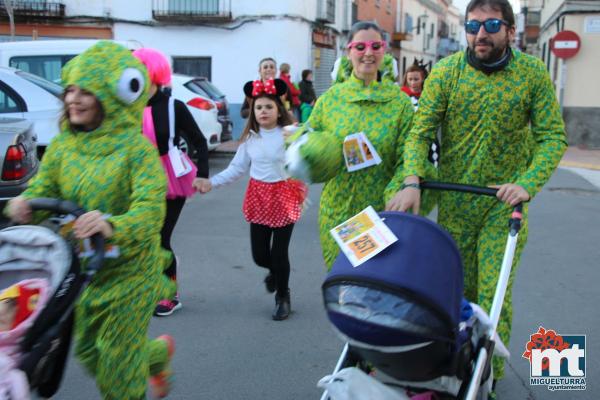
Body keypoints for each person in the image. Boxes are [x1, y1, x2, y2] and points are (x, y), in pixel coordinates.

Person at [386, 0, 567, 387]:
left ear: (510, 31)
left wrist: (527, 183)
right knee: (456, 293)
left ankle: (489, 379)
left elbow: (552, 136)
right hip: (456, 204)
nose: (480, 33)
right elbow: (420, 132)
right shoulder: (448, 72)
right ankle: (458, 366)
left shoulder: (532, 73)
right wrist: (412, 179)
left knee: (492, 294)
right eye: (472, 25)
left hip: (503, 205)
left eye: (490, 24)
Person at [5, 41, 178, 399]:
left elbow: (149, 211)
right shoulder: (64, 146)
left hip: (131, 274)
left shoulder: (137, 151)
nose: (74, 99)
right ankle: (156, 355)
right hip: (80, 273)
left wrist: (111, 224)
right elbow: (44, 185)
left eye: (87, 91)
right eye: (71, 90)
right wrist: (24, 203)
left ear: (111, 96)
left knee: (117, 366)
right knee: (88, 352)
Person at [285, 21, 434, 269]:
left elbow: (409, 154)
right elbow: (308, 137)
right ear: (349, 51)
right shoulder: (331, 99)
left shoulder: (399, 103)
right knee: (342, 283)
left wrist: (403, 188)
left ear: (384, 51)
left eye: (376, 46)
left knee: (372, 286)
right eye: (360, 46)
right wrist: (297, 147)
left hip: (380, 211)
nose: (368, 53)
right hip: (337, 210)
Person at [198, 78, 306, 321]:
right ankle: (273, 272)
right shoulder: (250, 140)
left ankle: (283, 296)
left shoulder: (289, 134)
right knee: (259, 255)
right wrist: (210, 182)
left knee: (279, 253)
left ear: (279, 110)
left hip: (284, 196)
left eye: (268, 107)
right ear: (253, 112)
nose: (263, 111)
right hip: (259, 197)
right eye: (259, 108)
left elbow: (307, 159)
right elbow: (236, 169)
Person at [133, 48, 209, 317]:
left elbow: (199, 141)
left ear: (153, 74)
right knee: (142, 239)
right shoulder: (127, 109)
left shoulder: (174, 106)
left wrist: (203, 174)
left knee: (161, 237)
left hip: (170, 178)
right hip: (137, 179)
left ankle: (170, 295)